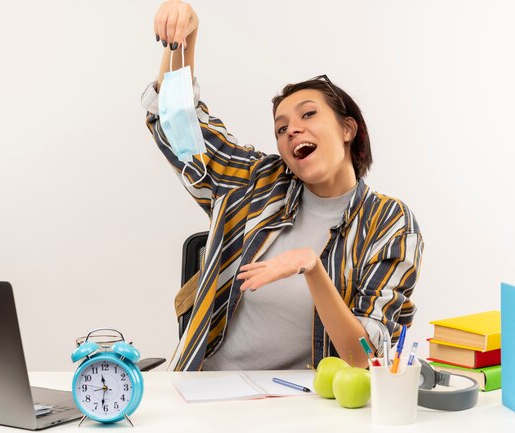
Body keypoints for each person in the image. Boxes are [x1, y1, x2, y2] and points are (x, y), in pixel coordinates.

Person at [142, 0, 424, 372]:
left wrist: (312, 268)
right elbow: (178, 128)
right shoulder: (258, 184)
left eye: (309, 114)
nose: (292, 129)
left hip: (301, 406)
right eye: (280, 127)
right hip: (203, 389)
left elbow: (364, 360)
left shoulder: (389, 222)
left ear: (347, 129)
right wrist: (185, 38)